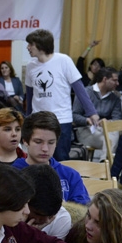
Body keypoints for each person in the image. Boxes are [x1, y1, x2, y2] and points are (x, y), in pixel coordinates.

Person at [25, 29, 99, 161]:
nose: (28, 47)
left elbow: (79, 89)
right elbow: (30, 95)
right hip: (38, 120)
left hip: (61, 120)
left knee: (61, 158)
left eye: (31, 44)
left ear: (40, 45)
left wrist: (91, 112)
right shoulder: (30, 66)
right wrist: (27, 118)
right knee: (38, 158)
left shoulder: (64, 60)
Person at [11, 111, 90, 205]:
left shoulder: (70, 175)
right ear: (25, 141)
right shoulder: (13, 174)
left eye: (51, 142)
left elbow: (83, 209)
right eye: (38, 142)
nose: (45, 149)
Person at [73, 66, 122, 154]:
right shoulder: (85, 93)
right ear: (105, 79)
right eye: (114, 80)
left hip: (106, 129)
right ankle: (106, 162)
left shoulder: (115, 98)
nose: (117, 83)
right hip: (86, 129)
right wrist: (87, 120)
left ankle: (104, 161)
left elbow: (116, 119)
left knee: (114, 134)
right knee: (110, 141)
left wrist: (107, 122)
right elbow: (74, 115)